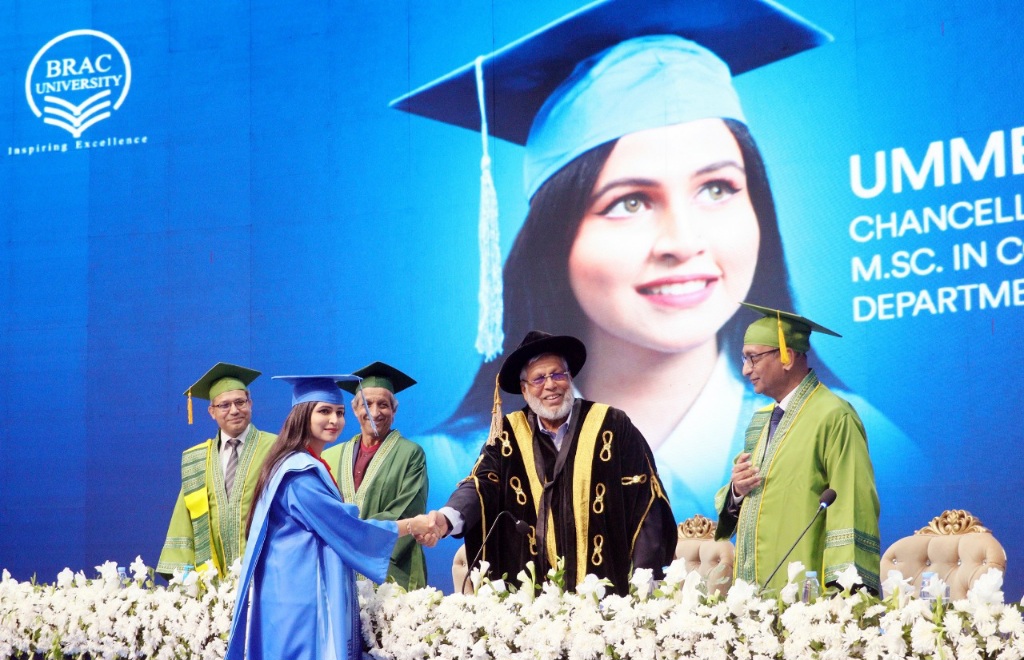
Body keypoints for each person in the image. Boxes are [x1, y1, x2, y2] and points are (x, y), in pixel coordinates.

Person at [394, 0, 929, 582]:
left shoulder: (870, 438)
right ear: (555, 236)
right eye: (629, 202)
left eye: (717, 189)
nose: (683, 241)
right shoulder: (458, 457)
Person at [423, 330, 677, 596]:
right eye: (538, 379)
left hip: (606, 591)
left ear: (570, 378)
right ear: (524, 390)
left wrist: (644, 581)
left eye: (557, 374)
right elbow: (482, 484)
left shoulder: (612, 425)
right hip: (532, 596)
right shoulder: (508, 433)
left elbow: (646, 501)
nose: (550, 385)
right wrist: (447, 518)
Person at [225, 375, 431, 660]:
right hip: (301, 603)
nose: (334, 420)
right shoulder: (299, 476)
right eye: (324, 411)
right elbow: (347, 527)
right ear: (302, 415)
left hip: (294, 594)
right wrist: (413, 525)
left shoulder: (298, 463)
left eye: (339, 412)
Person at [714, 304, 881, 594]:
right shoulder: (759, 422)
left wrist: (844, 592)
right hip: (755, 591)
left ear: (787, 357)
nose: (745, 369)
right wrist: (737, 490)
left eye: (753, 357)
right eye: (744, 358)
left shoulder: (833, 415)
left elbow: (852, 505)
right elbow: (744, 503)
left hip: (808, 593)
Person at [157, 362, 277, 578]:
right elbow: (184, 519)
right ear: (212, 411)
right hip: (213, 581)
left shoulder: (277, 448)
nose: (234, 410)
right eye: (224, 405)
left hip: (266, 573)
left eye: (240, 402)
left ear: (250, 403)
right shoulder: (197, 459)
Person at [322, 361, 428, 590]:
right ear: (355, 410)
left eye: (383, 405)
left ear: (394, 411)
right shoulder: (330, 457)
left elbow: (407, 512)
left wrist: (348, 533)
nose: (375, 412)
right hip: (340, 571)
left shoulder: (410, 454)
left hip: (390, 572)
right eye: (367, 404)